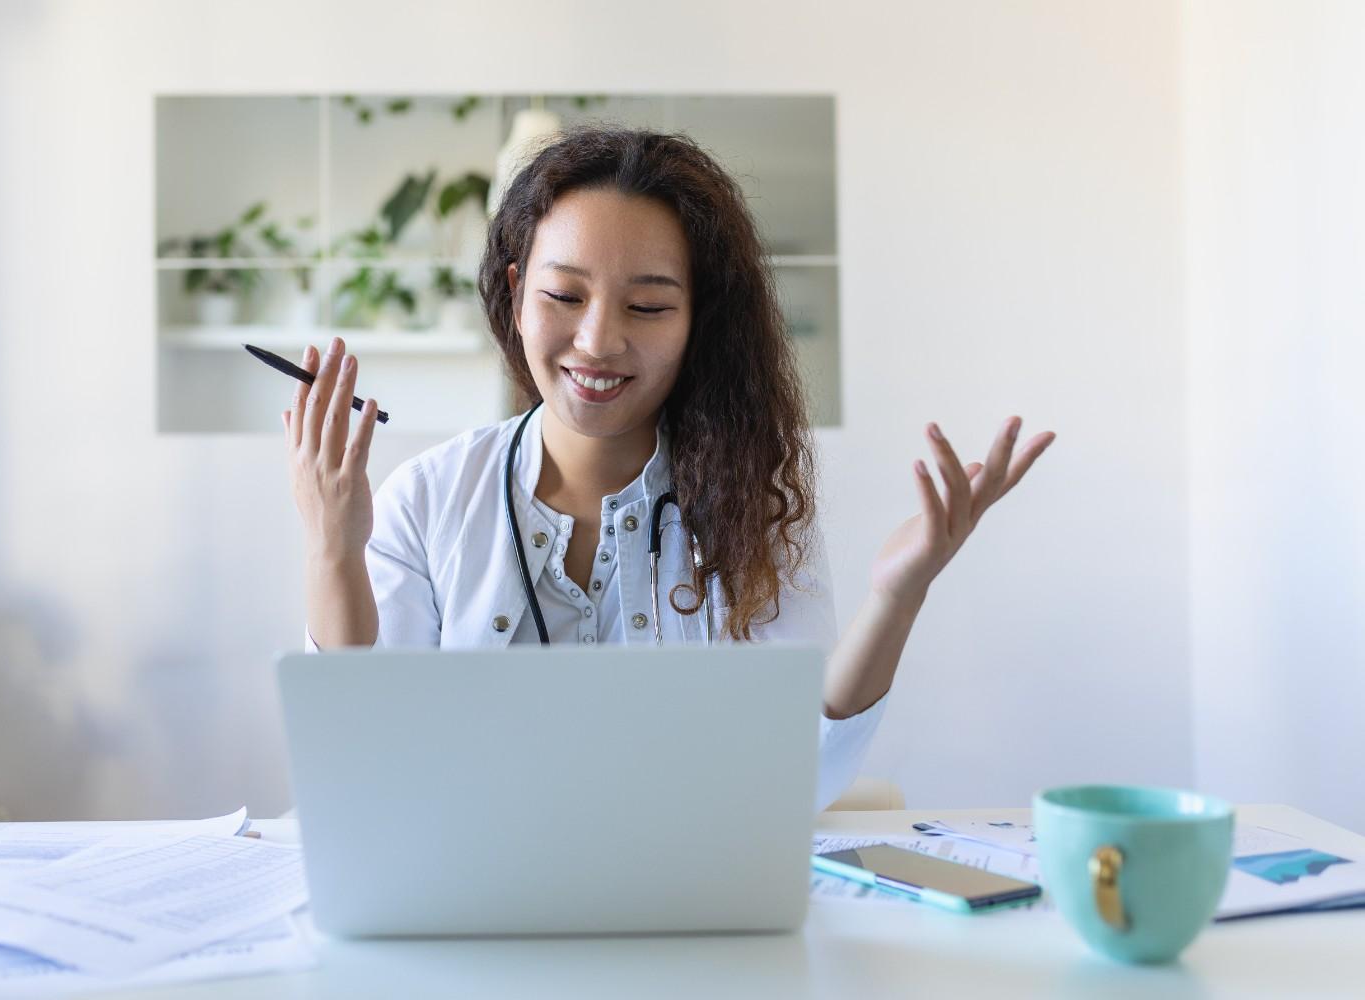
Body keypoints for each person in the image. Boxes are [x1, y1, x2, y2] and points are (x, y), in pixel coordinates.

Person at [283, 124, 1055, 811]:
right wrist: (332, 549)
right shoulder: (427, 498)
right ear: (518, 294)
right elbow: (363, 772)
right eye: (563, 294)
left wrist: (897, 595)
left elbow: (798, 781)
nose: (597, 341)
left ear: (697, 322)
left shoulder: (753, 505)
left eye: (647, 308)